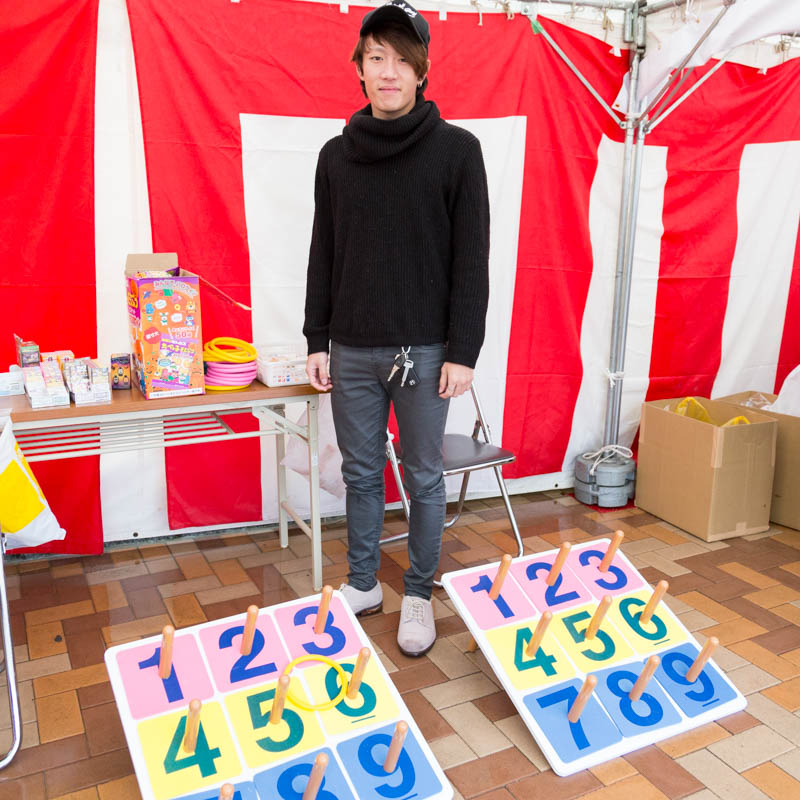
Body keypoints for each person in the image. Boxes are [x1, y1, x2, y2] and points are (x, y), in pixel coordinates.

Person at [303, 0, 489, 657]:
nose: (388, 71)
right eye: (376, 57)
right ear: (359, 68)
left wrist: (463, 350)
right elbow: (324, 251)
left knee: (423, 475)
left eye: (401, 60)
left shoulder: (458, 152)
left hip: (425, 350)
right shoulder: (335, 156)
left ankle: (417, 593)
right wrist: (316, 338)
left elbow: (471, 259)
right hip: (351, 348)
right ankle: (362, 583)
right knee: (360, 473)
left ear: (421, 71)